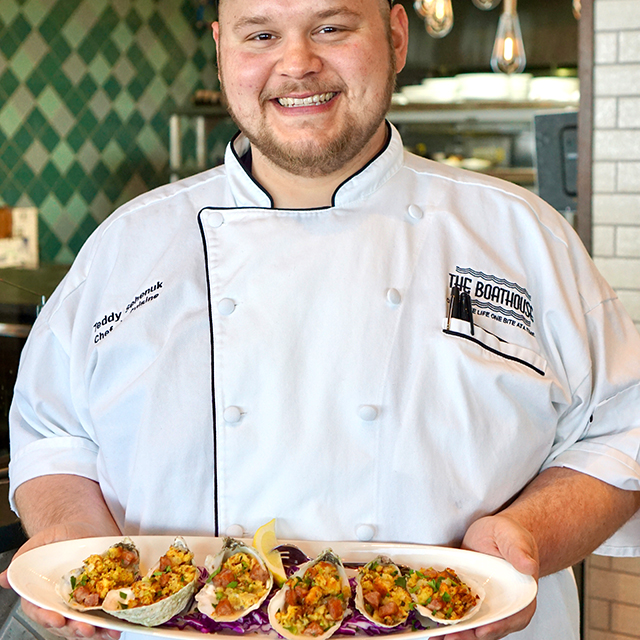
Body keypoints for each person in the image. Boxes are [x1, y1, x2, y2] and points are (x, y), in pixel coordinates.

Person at [1, 1, 640, 639]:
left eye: (331, 28)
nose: (297, 64)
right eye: (261, 35)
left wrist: (528, 534)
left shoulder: (521, 236)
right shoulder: (128, 244)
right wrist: (72, 538)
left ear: (396, 37)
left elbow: (622, 431)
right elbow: (54, 432)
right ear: (221, 50)